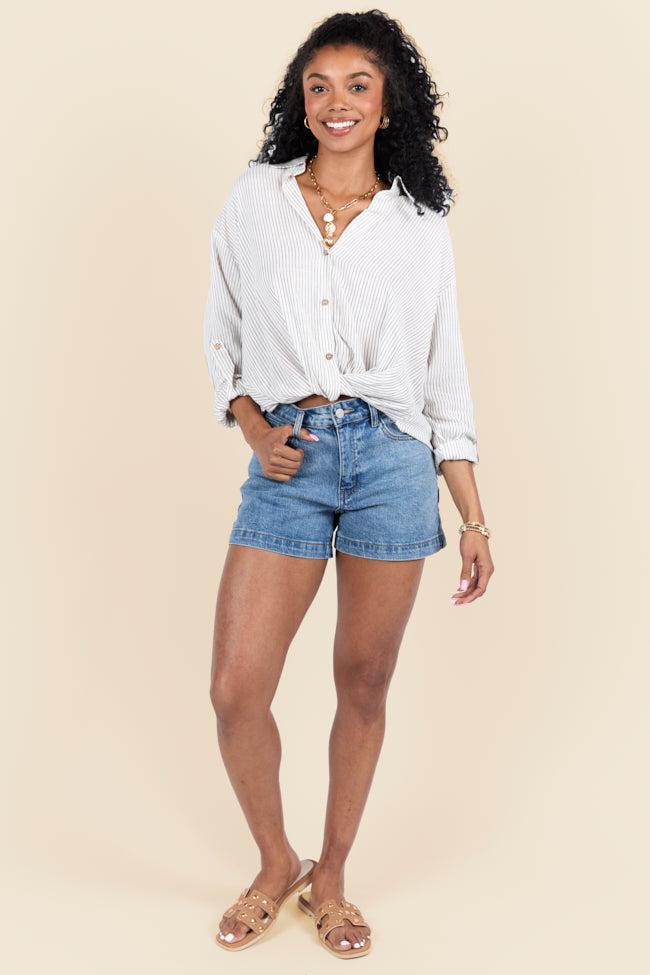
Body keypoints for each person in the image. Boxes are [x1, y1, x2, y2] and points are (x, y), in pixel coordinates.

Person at [203, 10, 494, 959]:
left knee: (363, 680)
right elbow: (222, 331)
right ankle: (275, 860)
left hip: (394, 462)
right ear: (302, 100)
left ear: (388, 103)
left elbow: (444, 373)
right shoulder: (257, 199)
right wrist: (256, 429)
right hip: (288, 458)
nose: (337, 102)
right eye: (319, 86)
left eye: (358, 85)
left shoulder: (419, 226)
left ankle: (330, 878)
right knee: (236, 688)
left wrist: (474, 515)